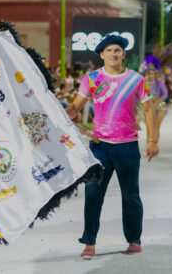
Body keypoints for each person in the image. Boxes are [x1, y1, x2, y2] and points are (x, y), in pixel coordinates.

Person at [66, 34, 159, 259]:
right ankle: (89, 242)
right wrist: (58, 116)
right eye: (109, 51)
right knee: (93, 194)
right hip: (100, 147)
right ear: (102, 55)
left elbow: (149, 110)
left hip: (127, 147)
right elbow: (76, 107)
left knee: (131, 195)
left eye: (117, 50)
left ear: (123, 54)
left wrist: (153, 140)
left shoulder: (136, 79)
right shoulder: (91, 79)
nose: (113, 54)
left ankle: (134, 239)